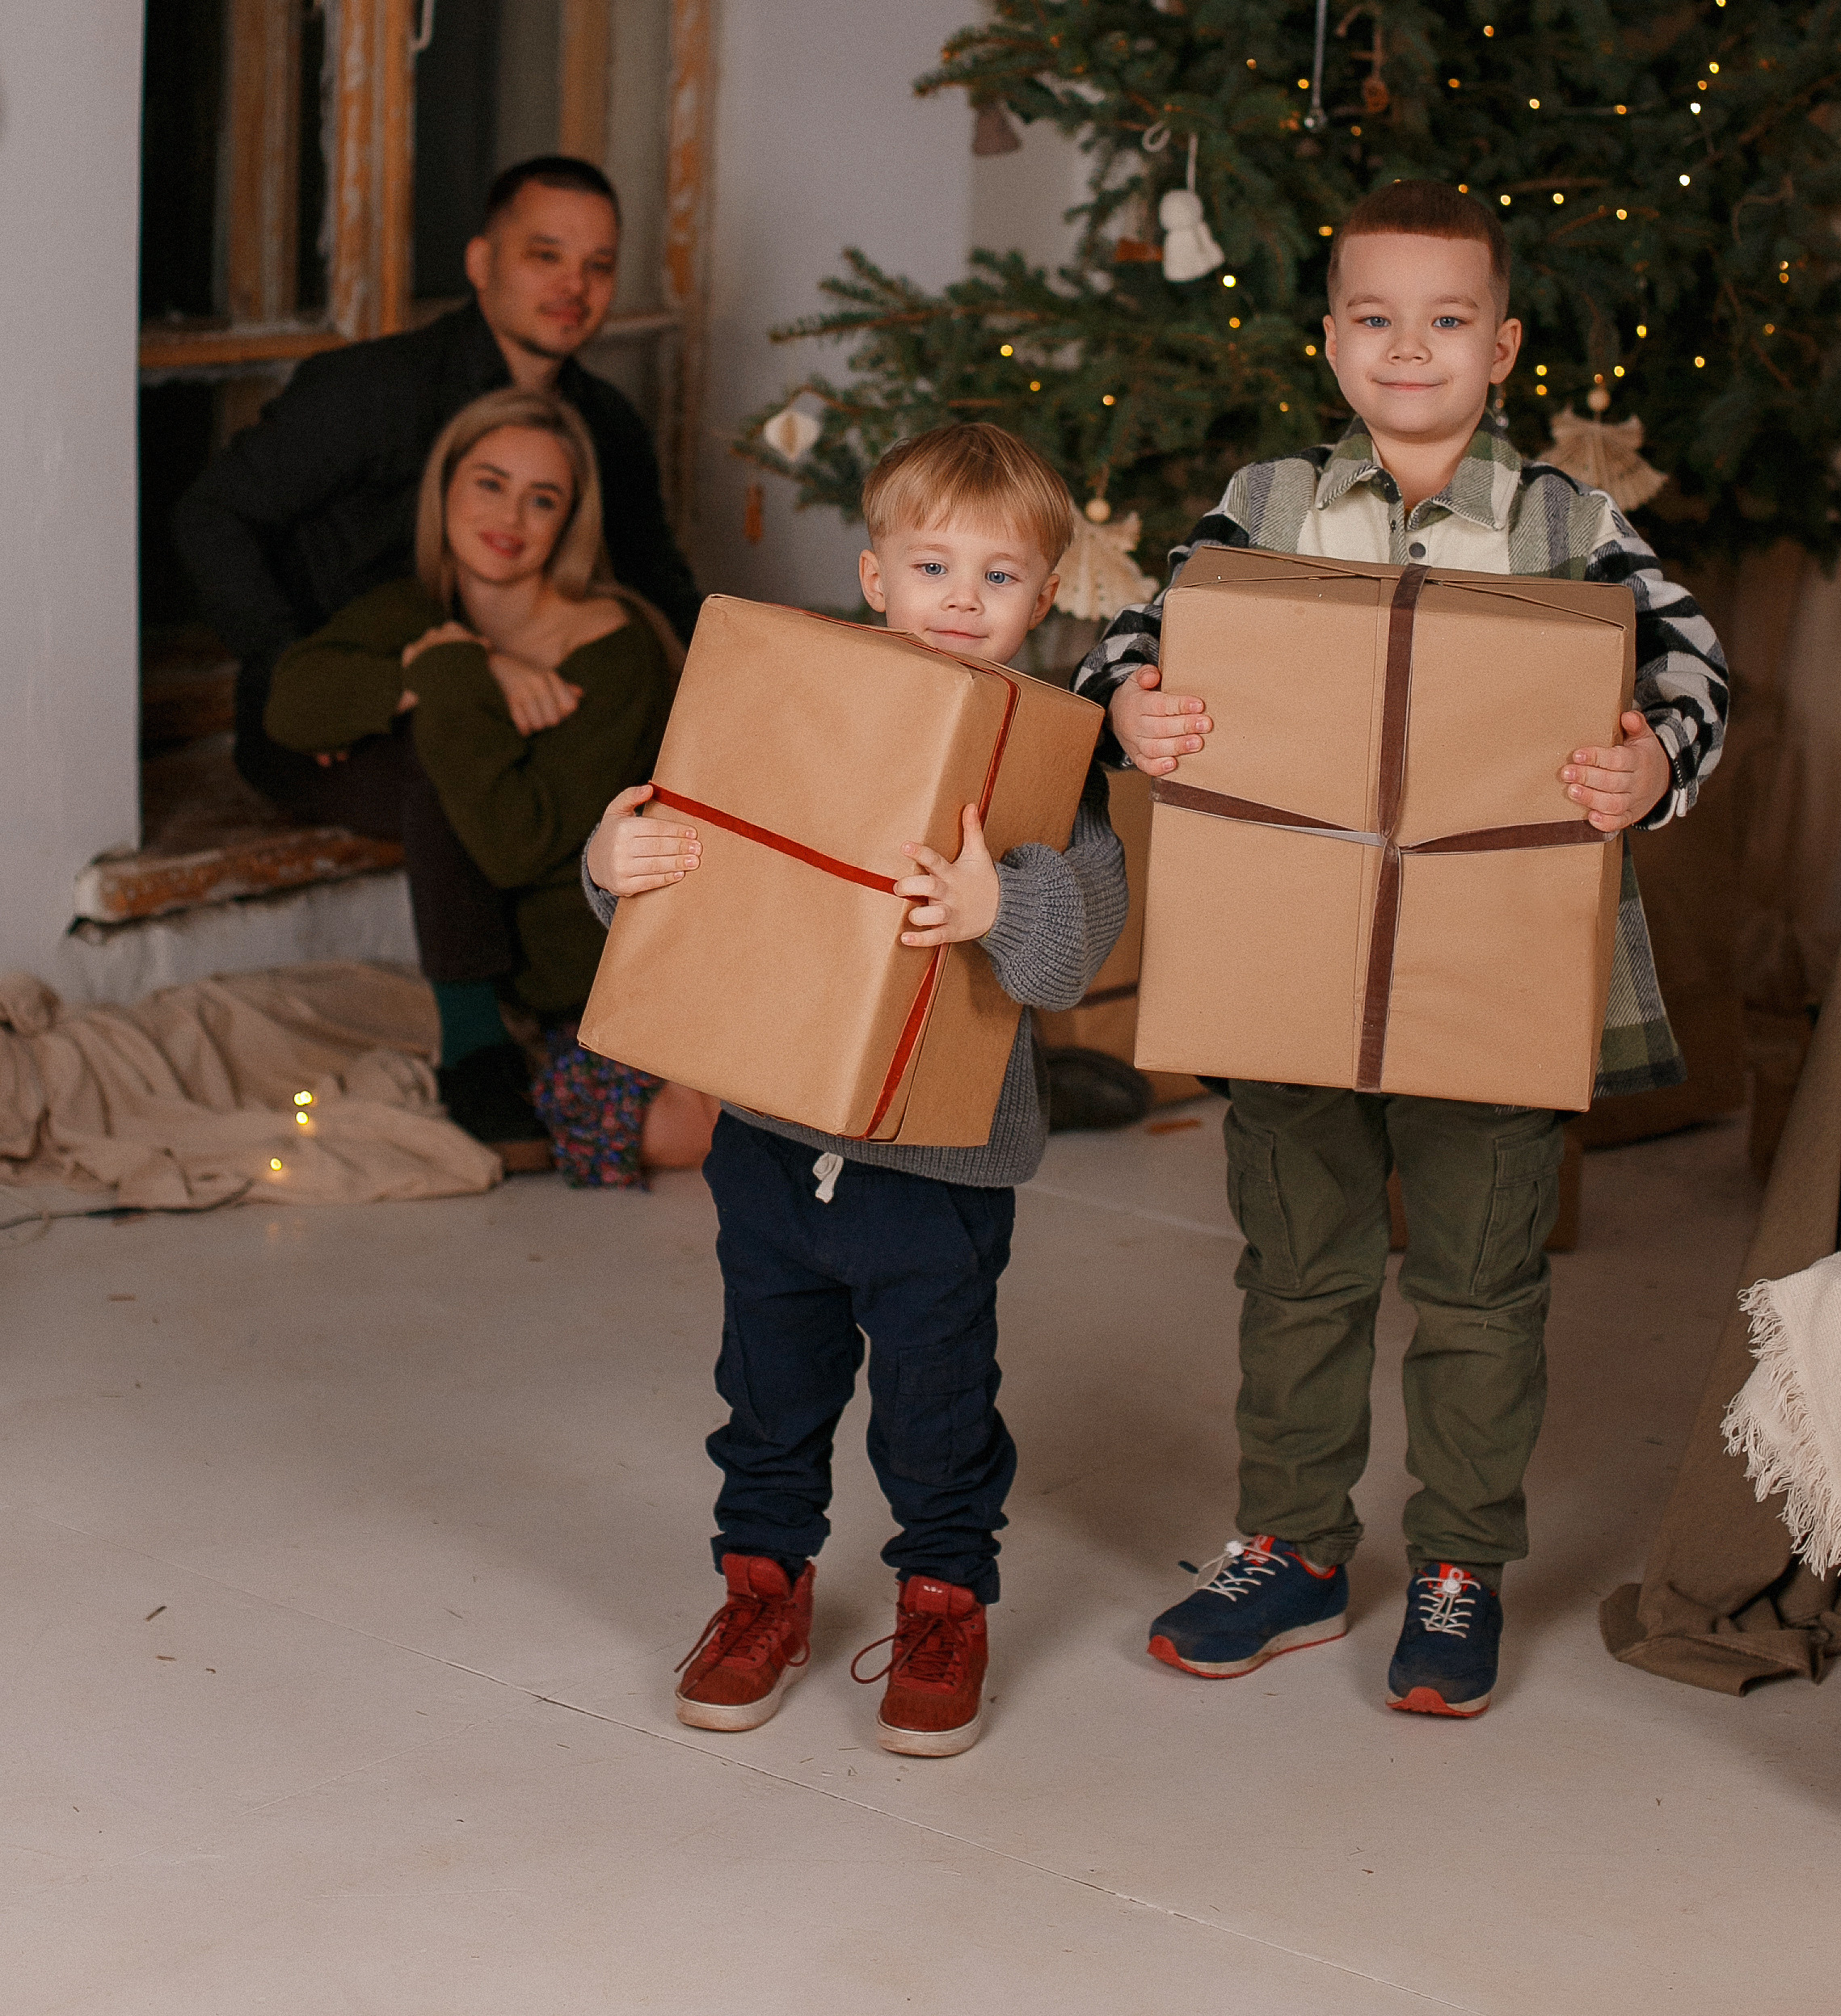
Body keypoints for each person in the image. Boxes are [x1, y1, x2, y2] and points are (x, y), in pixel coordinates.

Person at [1072, 178, 1730, 1720]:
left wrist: (1653, 765)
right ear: (1331, 339)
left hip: (1487, 967)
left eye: (1445, 322)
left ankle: (1459, 1562)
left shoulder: (1568, 523)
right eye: (1376, 317)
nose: (1410, 347)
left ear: (1500, 348)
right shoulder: (1267, 502)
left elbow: (1692, 659)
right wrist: (1131, 702)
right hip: (1292, 957)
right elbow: (1133, 635)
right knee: (1299, 1267)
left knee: (1481, 1280)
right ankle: (1294, 1546)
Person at [581, 424, 1128, 1759]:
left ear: (1043, 600)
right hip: (769, 1139)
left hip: (937, 1170)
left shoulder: (1054, 759)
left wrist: (1003, 899)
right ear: (874, 575)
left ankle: (945, 1601)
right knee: (768, 1386)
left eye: (998, 577)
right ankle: (758, 1590)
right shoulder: (796, 707)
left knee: (937, 1403)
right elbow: (698, 863)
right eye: (932, 563)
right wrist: (614, 855)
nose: (960, 597)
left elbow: (1074, 950)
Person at [173, 157, 701, 1050]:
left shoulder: (604, 424)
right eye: (545, 255)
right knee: (445, 761)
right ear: (481, 261)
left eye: (599, 265)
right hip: (341, 711)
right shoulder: (373, 388)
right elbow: (210, 515)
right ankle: (479, 1044)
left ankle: (594, 1006)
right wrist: (305, 673)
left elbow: (659, 586)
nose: (574, 287)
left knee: (590, 759)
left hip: (511, 701)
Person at [263, 387, 678, 1146]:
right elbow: (291, 710)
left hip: (596, 979)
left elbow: (515, 846)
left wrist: (447, 673)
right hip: (526, 969)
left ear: (570, 520)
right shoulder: (415, 608)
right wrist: (468, 665)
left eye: (541, 499)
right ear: (445, 488)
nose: (508, 520)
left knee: (692, 1137)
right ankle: (474, 1043)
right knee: (399, 757)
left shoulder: (616, 650)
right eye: (489, 483)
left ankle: (479, 1044)